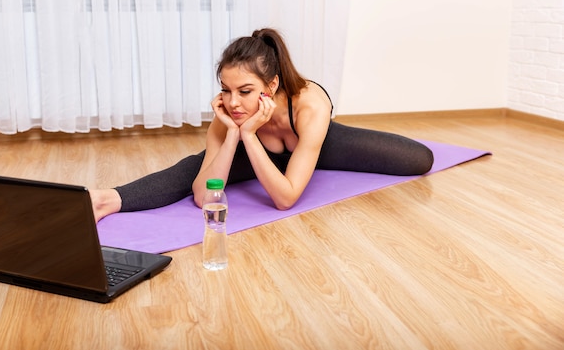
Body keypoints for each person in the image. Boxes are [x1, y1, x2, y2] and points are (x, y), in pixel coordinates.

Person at [91, 28, 433, 222]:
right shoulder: (229, 112)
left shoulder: (310, 106)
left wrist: (249, 134)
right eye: (225, 90)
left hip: (313, 146)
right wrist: (234, 137)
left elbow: (285, 199)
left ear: (270, 87)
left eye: (245, 91)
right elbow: (202, 196)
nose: (233, 102)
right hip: (254, 148)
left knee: (417, 160)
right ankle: (105, 200)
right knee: (192, 169)